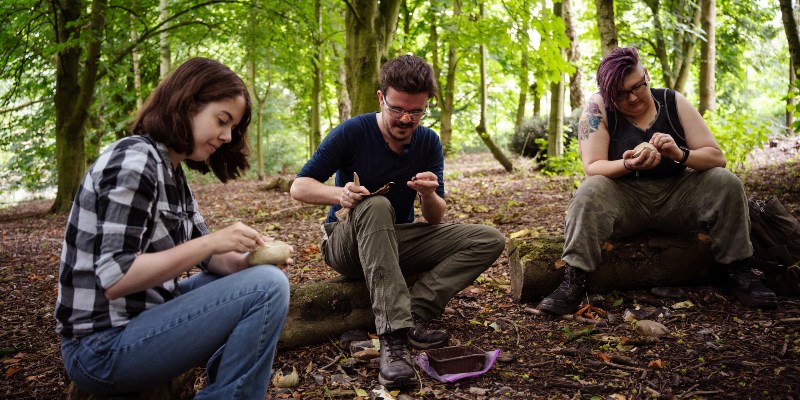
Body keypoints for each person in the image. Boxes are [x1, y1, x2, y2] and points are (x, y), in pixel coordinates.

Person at [55, 57, 290, 399]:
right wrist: (212, 243)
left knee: (264, 280)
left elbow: (211, 260)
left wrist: (248, 260)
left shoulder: (172, 172)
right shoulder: (134, 162)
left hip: (144, 319)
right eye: (222, 121)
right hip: (100, 348)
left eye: (232, 128)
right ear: (187, 103)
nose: (226, 137)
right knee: (266, 288)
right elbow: (115, 278)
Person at [290, 55, 505, 388]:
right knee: (376, 205)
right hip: (345, 243)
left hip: (394, 239)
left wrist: (429, 195)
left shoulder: (429, 142)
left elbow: (435, 218)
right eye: (398, 109)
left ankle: (415, 311)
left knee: (489, 239)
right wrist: (340, 196)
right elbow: (299, 186)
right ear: (381, 98)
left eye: (416, 111)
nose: (406, 119)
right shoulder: (352, 132)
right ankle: (393, 338)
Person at [537, 47, 778, 316]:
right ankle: (574, 280)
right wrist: (628, 163)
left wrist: (679, 153)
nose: (631, 97)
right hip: (625, 200)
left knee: (726, 181)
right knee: (589, 191)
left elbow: (716, 158)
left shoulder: (674, 102)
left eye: (637, 87)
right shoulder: (597, 108)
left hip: (678, 198)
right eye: (620, 93)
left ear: (646, 75)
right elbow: (593, 167)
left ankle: (739, 272)